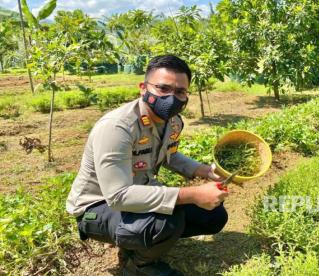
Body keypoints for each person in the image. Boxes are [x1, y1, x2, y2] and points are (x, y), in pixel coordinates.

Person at [66, 55, 229, 276]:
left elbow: (170, 154)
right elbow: (118, 196)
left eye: (180, 92)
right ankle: (138, 267)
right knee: (167, 220)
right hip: (97, 207)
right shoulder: (117, 127)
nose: (172, 98)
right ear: (143, 88)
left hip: (139, 193)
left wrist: (203, 170)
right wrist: (191, 194)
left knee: (213, 215)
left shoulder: (173, 122)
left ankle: (140, 245)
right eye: (163, 88)